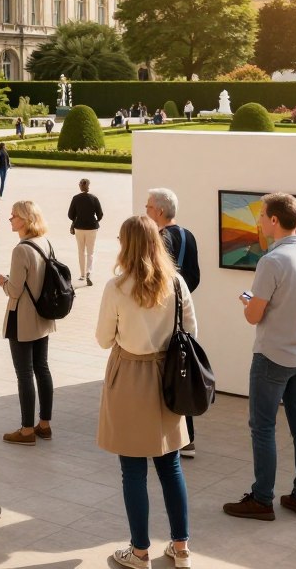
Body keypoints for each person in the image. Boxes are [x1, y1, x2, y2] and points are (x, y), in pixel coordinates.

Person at [95, 215, 194, 569]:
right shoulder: (177, 283)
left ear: (126, 244)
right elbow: (191, 331)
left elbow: (103, 338)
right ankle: (181, 548)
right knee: (171, 466)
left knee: (132, 469)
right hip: (168, 376)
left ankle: (139, 553)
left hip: (129, 375)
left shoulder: (116, 287)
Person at [223, 192, 296, 522]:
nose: (259, 220)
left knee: (263, 428)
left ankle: (262, 499)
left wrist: (246, 301)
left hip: (273, 356)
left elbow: (254, 316)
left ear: (275, 221)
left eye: (263, 215)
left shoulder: (271, 262)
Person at [145, 187, 200, 455]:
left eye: (148, 208)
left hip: (163, 320)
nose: (145, 212)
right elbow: (195, 276)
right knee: (182, 374)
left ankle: (173, 437)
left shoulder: (160, 238)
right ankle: (187, 437)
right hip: (181, 316)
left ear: (160, 211)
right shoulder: (188, 236)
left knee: (166, 377)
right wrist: (181, 299)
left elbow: (153, 278)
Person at [0, 200, 55, 446]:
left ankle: (26, 430)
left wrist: (3, 281)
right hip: (43, 315)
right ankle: (44, 425)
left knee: (24, 374)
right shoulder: (45, 243)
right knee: (42, 368)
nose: (10, 219)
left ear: (26, 220)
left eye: (14, 216)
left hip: (22, 319)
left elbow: (15, 290)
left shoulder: (21, 249)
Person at [67, 178, 103, 286]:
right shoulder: (94, 198)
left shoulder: (76, 198)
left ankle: (82, 274)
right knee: (90, 252)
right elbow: (100, 214)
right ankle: (89, 273)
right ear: (88, 185)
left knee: (81, 251)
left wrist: (75, 219)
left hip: (79, 227)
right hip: (92, 228)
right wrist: (96, 221)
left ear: (80, 186)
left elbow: (70, 214)